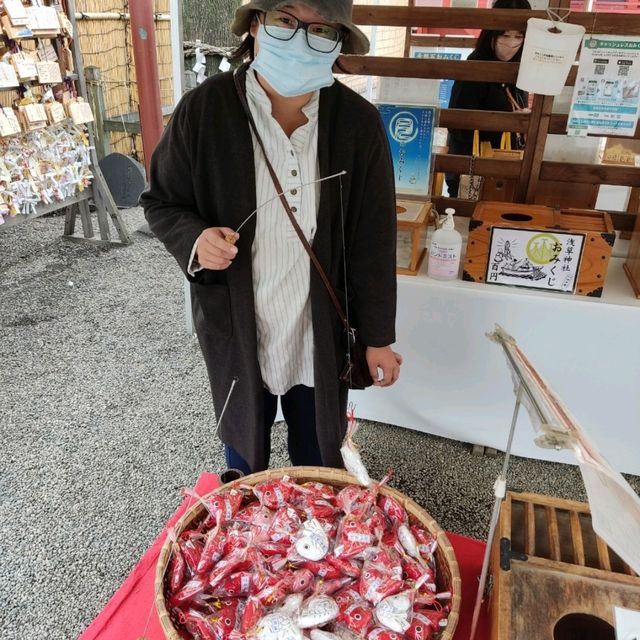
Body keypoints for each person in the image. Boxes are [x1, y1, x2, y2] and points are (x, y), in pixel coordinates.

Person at [140, 0, 402, 475]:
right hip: (239, 319)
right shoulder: (205, 110)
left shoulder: (358, 124)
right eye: (285, 20)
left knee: (319, 460)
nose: (301, 38)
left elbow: (373, 240)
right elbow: (161, 201)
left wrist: (379, 337)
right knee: (244, 457)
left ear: (338, 43)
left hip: (316, 324)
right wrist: (196, 239)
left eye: (321, 29)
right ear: (255, 26)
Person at [446, 0, 531, 197]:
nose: (512, 43)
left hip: (502, 172)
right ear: (491, 33)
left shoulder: (517, 71)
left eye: (519, 36)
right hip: (472, 172)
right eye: (505, 35)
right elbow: (456, 125)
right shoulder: (476, 67)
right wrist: (506, 122)